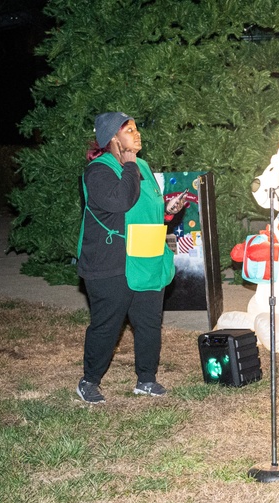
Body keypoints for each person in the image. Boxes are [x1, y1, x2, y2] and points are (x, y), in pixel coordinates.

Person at [76, 112, 184, 404]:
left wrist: (169, 209)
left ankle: (146, 379)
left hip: (145, 256)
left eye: (136, 129)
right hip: (111, 262)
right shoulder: (98, 171)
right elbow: (121, 201)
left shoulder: (143, 167)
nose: (137, 135)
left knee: (148, 322)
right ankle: (89, 381)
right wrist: (130, 163)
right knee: (108, 324)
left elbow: (148, 209)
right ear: (113, 138)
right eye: (129, 130)